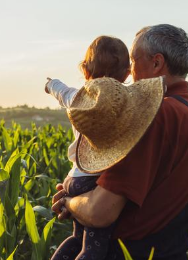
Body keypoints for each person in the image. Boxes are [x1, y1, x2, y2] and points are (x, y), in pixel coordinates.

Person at [51, 24, 188, 259]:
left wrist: (70, 203)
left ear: (156, 63)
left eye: (133, 59)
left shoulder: (155, 117)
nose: (129, 72)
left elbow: (101, 211)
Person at [46, 35, 164, 260]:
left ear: (85, 69)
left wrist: (50, 84)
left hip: (74, 179)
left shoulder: (77, 100)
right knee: (93, 249)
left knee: (75, 239)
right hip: (94, 182)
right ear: (127, 74)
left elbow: (61, 91)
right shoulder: (125, 107)